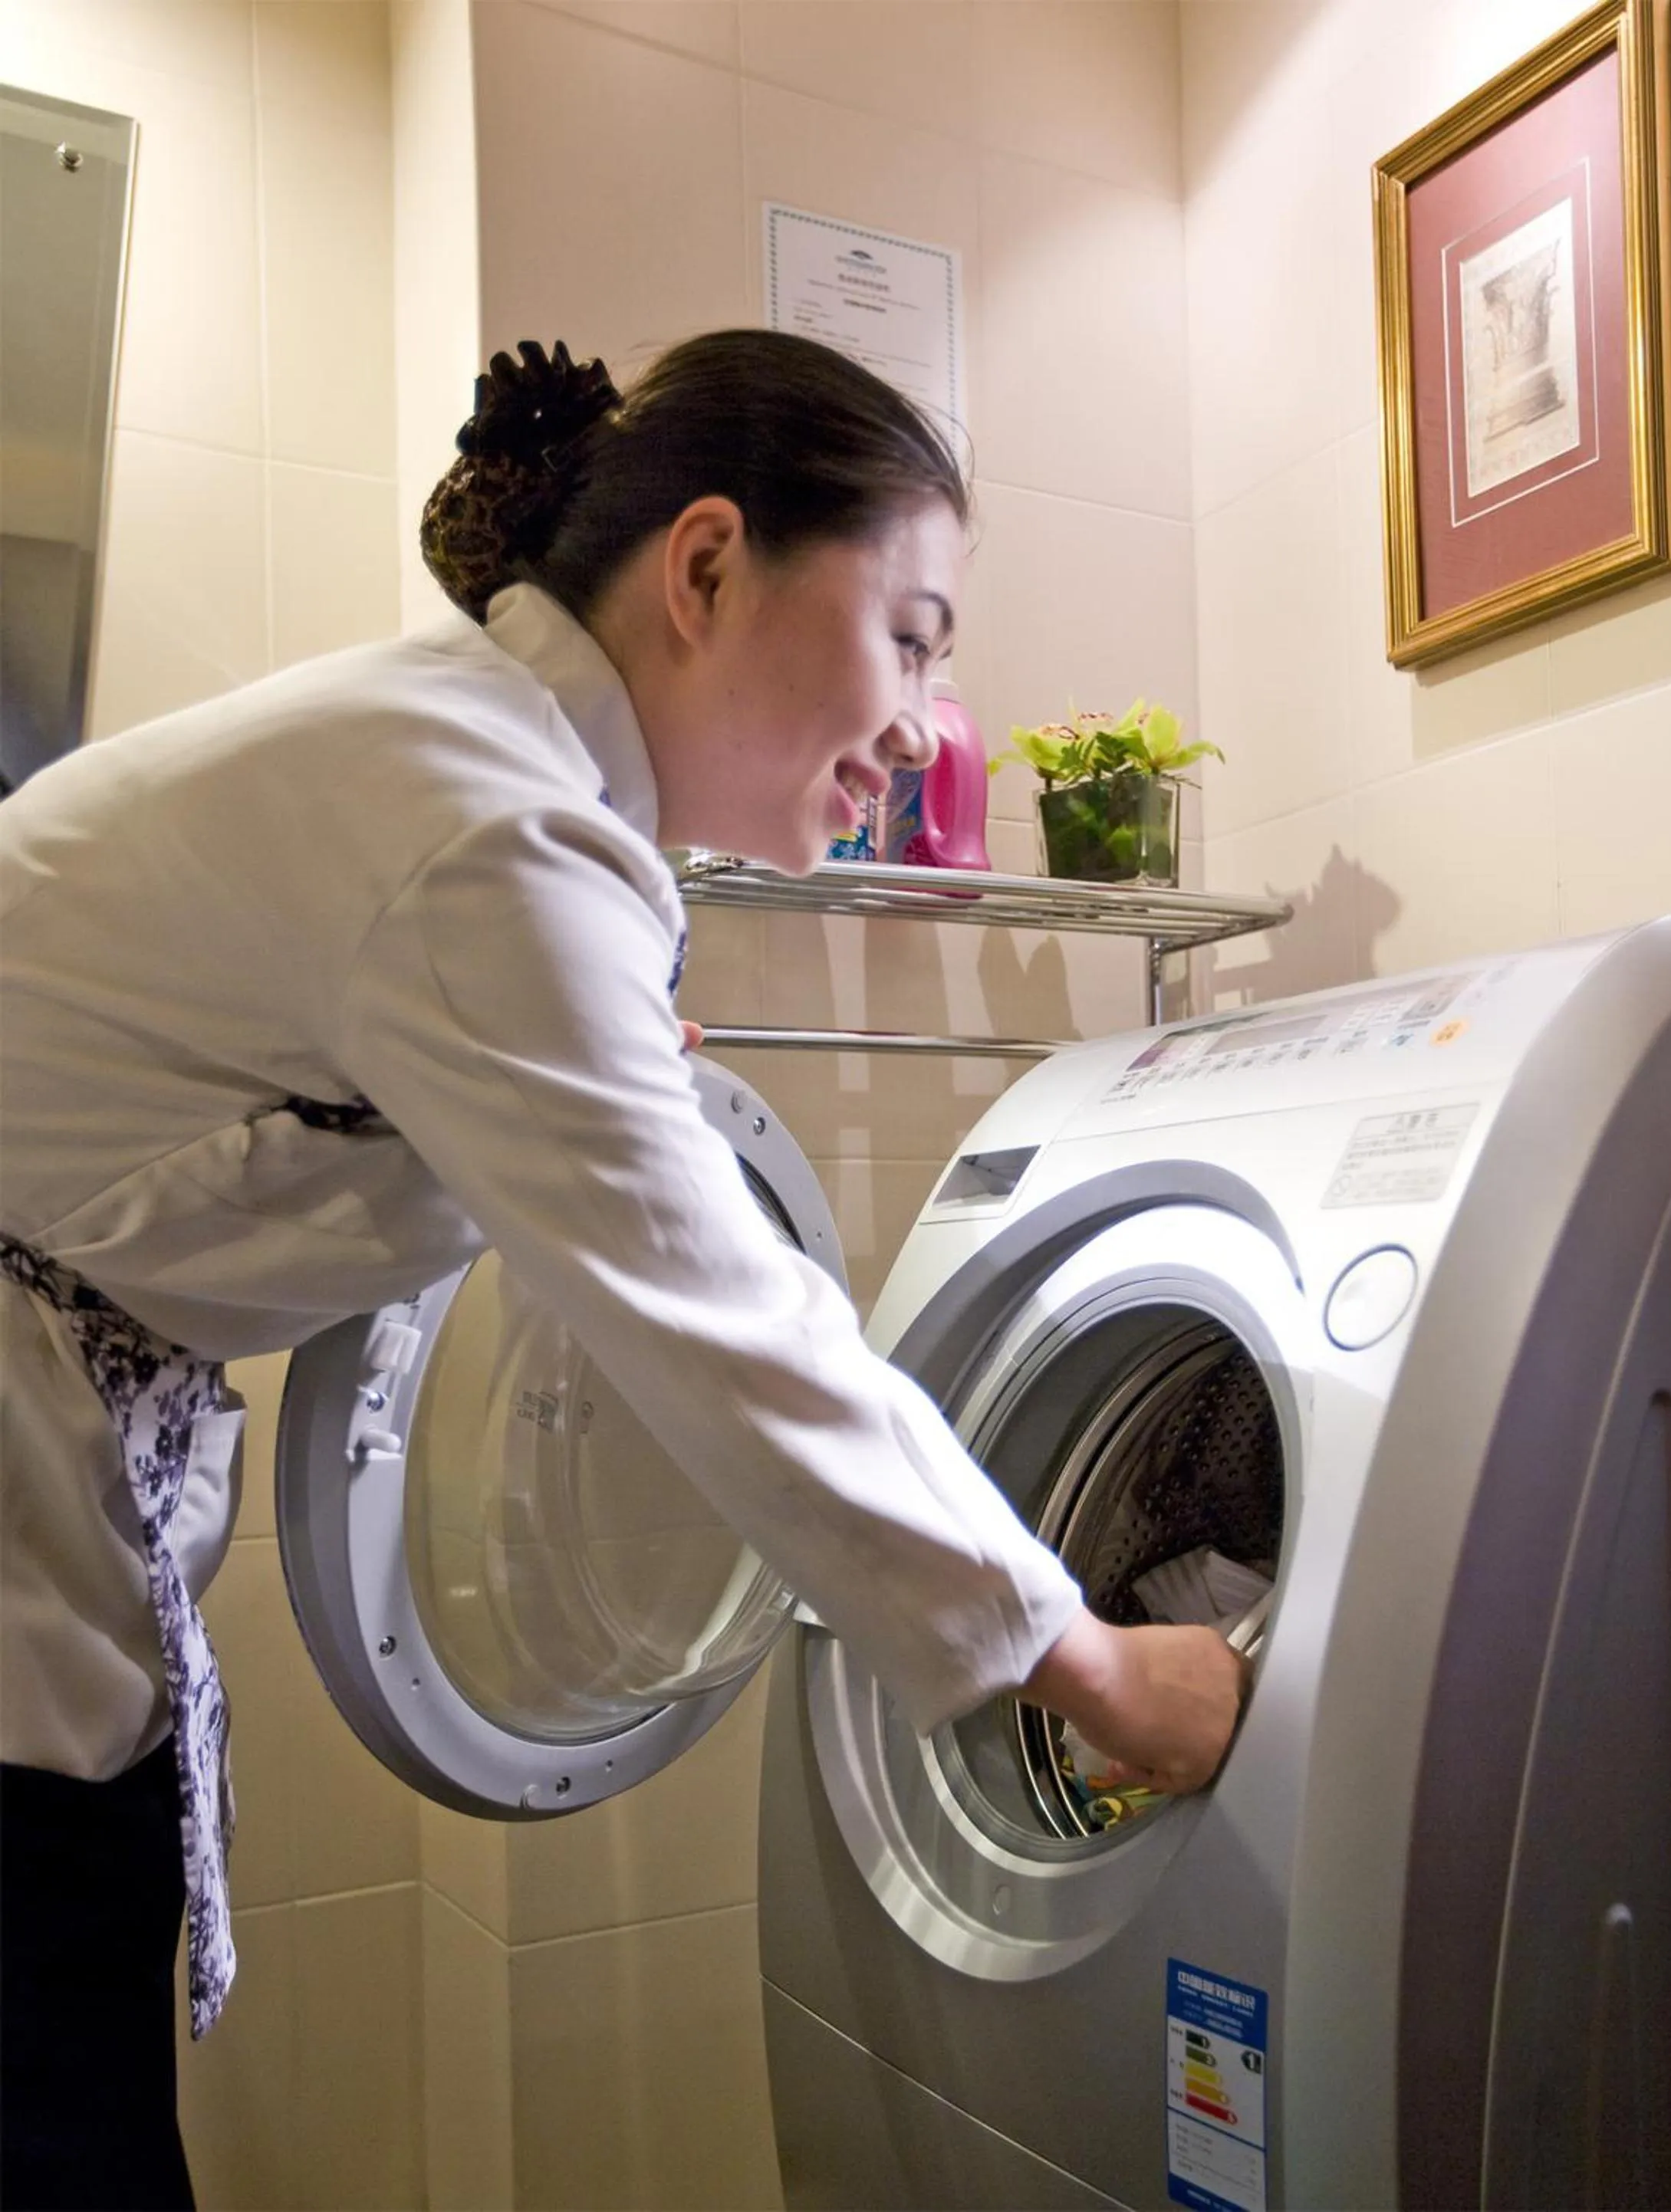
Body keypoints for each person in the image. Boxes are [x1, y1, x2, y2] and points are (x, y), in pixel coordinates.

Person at [0, 330, 1248, 2208]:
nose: (921, 722)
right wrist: (1085, 1663)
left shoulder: (487, 788)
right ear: (704, 565)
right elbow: (728, 1324)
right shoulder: (486, 822)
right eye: (909, 633)